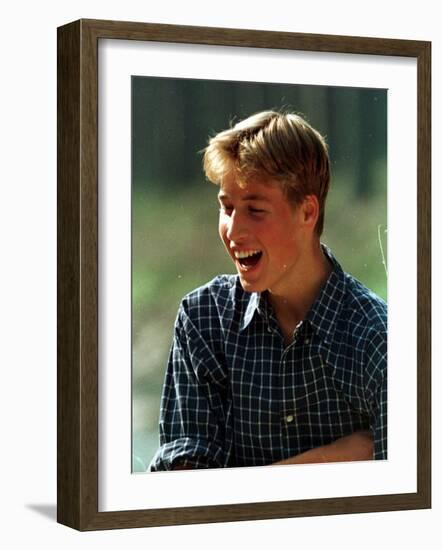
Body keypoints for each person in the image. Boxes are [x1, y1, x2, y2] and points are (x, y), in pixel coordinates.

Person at [149, 110, 387, 471]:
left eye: (255, 210)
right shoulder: (203, 321)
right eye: (226, 207)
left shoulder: (379, 340)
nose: (233, 230)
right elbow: (185, 495)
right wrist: (335, 459)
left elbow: (407, 502)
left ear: (307, 212)